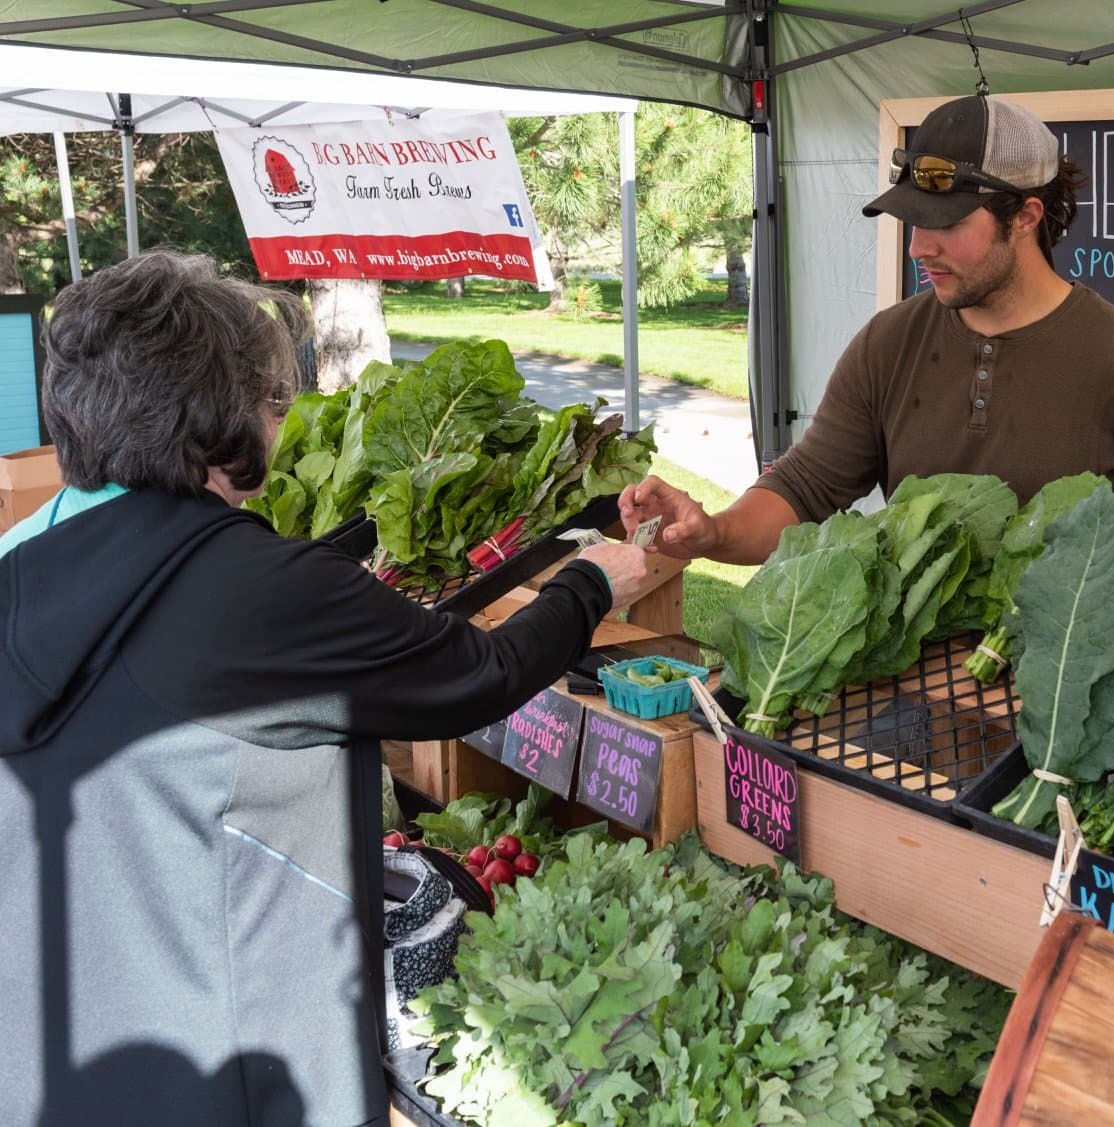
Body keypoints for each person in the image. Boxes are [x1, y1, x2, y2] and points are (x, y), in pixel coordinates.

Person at [0, 250, 650, 1126]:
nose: (275, 422)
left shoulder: (23, 565)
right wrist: (593, 581)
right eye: (267, 401)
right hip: (237, 1058)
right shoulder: (257, 588)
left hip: (60, 1043)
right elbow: (475, 674)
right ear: (216, 413)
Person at [620, 92, 1114, 564]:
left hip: (1068, 700)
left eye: (947, 223)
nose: (918, 247)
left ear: (1026, 218)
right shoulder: (889, 344)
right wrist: (712, 530)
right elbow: (803, 492)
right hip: (906, 691)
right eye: (912, 220)